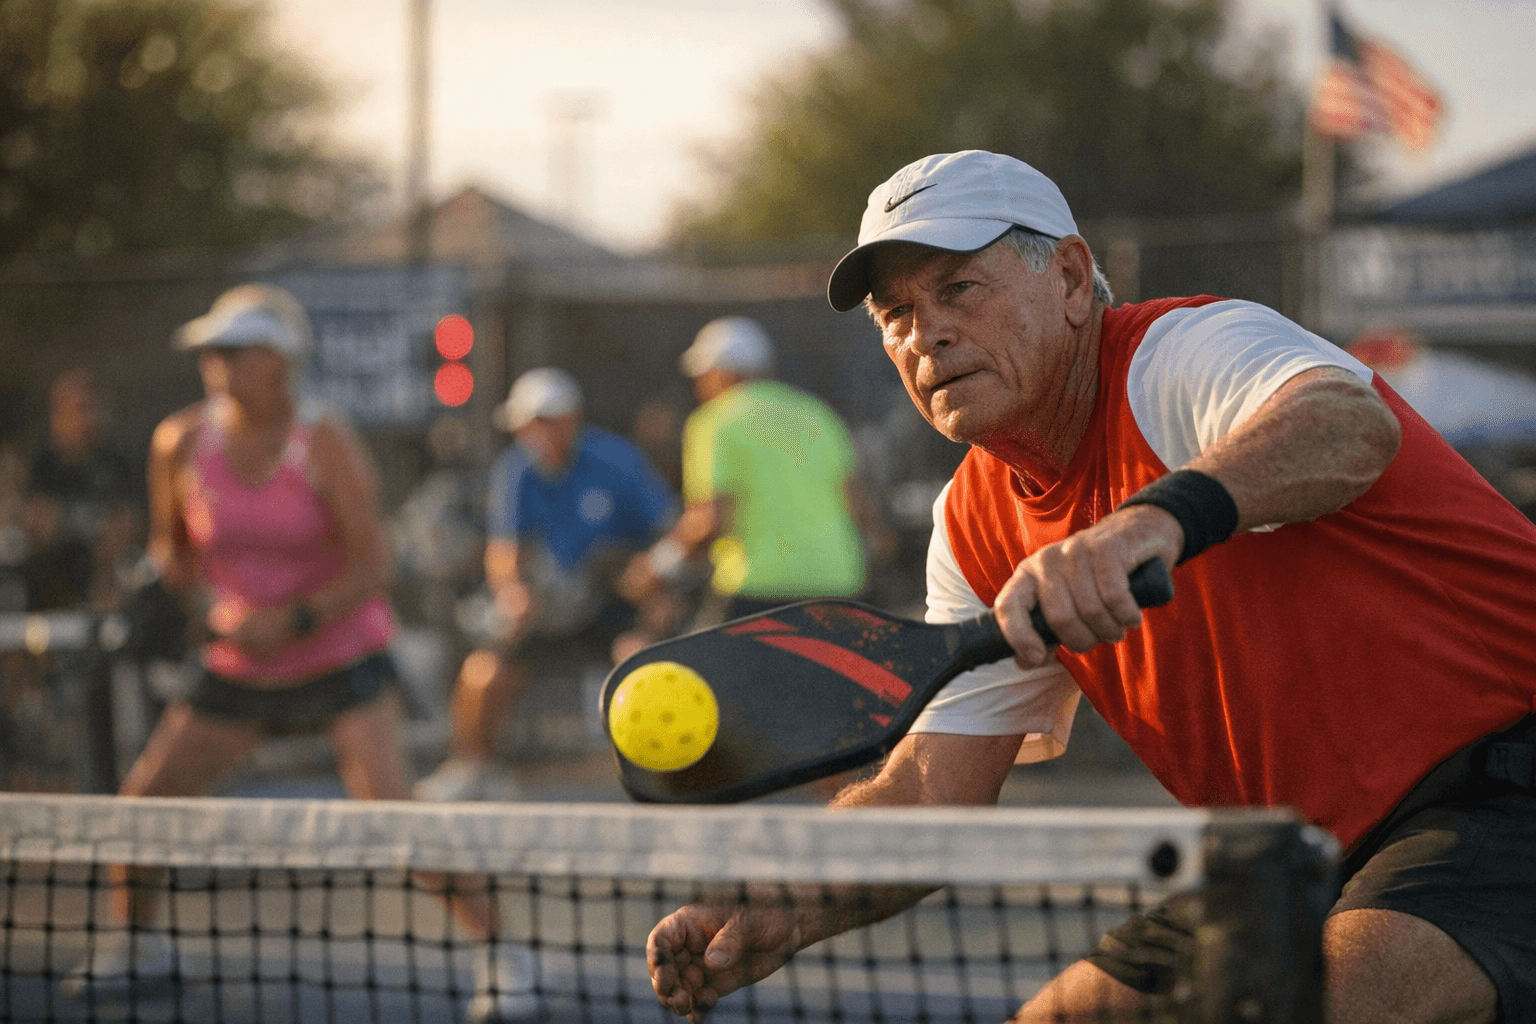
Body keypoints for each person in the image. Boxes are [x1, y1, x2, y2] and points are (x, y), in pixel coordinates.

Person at [646, 151, 1536, 1024]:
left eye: (960, 289)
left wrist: (1147, 523)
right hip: (1292, 854)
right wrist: (789, 899)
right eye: (897, 313)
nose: (927, 334)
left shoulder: (1183, 352)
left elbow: (1348, 421)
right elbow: (929, 794)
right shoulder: (972, 521)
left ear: (1072, 279)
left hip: (1504, 779)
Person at [61, 284, 537, 1023]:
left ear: (279, 362)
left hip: (341, 660)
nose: (217, 365)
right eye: (211, 351)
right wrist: (182, 604)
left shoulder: (325, 442)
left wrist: (296, 618)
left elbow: (375, 564)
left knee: (395, 818)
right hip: (236, 666)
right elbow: (175, 556)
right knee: (144, 806)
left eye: (234, 351)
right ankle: (139, 943)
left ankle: (506, 957)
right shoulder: (178, 442)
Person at [414, 367, 679, 802]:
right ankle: (471, 766)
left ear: (570, 419)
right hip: (548, 605)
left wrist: (654, 584)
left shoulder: (618, 460)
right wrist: (513, 594)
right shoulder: (515, 468)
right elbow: (505, 552)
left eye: (543, 422)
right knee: (484, 671)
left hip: (612, 602)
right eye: (525, 425)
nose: (532, 434)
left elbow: (667, 530)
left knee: (641, 661)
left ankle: (662, 773)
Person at [620, 316, 892, 626]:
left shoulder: (715, 421)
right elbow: (861, 506)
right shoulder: (818, 415)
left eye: (703, 375)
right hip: (840, 589)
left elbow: (710, 520)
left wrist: (657, 566)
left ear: (725, 373)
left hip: (758, 592)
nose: (699, 385)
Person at [19, 367, 142, 611]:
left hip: (103, 586)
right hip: (43, 587)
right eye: (82, 408)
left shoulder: (116, 463)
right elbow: (35, 523)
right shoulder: (38, 464)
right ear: (57, 415)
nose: (91, 419)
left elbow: (129, 523)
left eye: (97, 408)